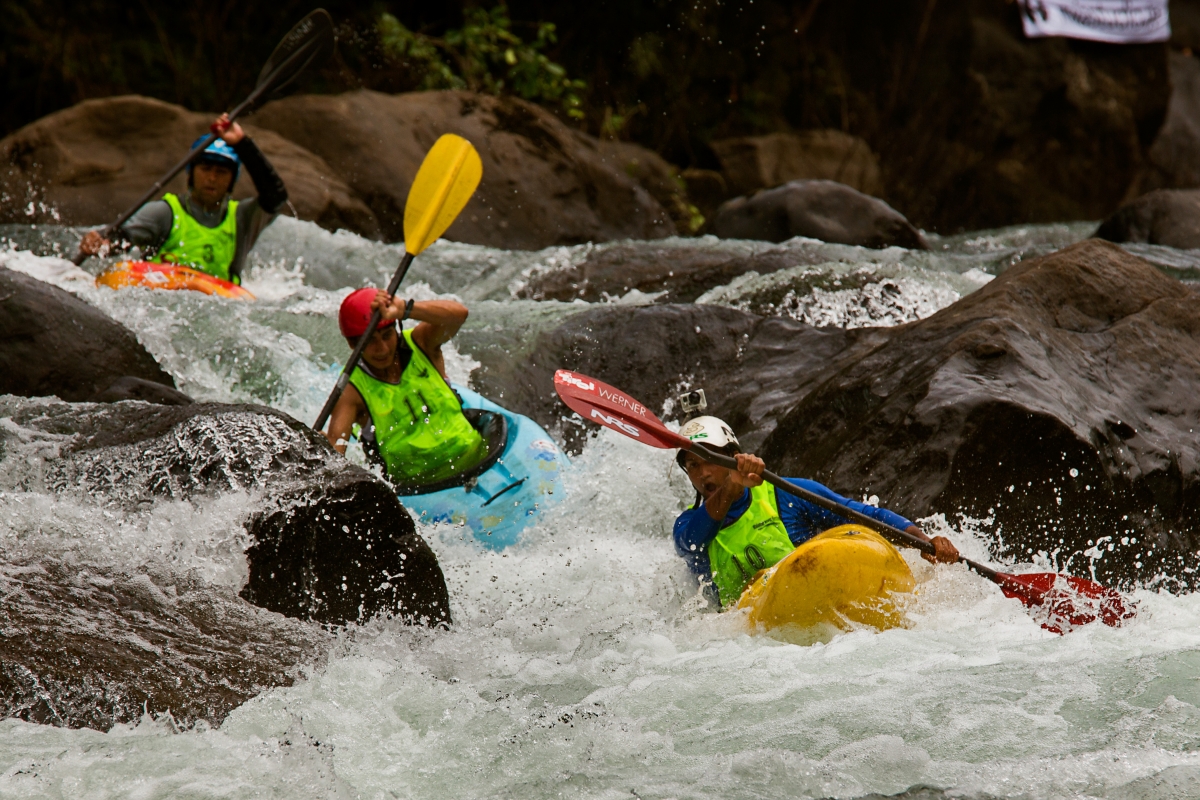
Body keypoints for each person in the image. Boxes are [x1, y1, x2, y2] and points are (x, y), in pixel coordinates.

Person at [673, 416, 960, 608]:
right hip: (748, 640)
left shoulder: (786, 494)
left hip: (816, 608)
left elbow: (860, 515)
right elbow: (692, 540)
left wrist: (922, 540)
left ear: (732, 456)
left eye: (708, 459)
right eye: (693, 465)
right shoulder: (688, 526)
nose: (702, 473)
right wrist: (732, 487)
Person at [79, 113, 287, 285]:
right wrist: (102, 243)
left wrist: (243, 144)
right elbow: (122, 238)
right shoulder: (163, 213)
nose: (212, 178)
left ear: (233, 181)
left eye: (221, 172)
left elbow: (275, 197)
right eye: (205, 169)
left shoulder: (243, 219)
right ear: (191, 173)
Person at [324, 288, 490, 488]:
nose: (383, 349)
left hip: (482, 462)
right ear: (353, 345)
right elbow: (336, 452)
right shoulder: (351, 390)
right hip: (422, 491)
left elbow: (459, 314)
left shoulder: (422, 343)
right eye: (371, 342)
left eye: (387, 336)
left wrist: (405, 309)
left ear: (396, 329)